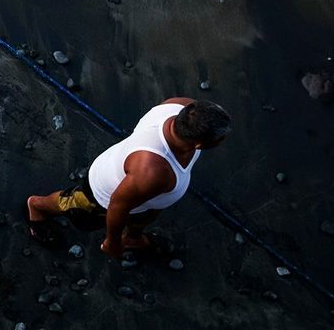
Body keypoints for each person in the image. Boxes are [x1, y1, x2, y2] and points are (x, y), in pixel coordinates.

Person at [25, 97, 230, 257]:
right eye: (221, 138)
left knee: (142, 217)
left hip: (144, 201)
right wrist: (112, 242)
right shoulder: (153, 172)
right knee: (73, 206)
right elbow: (117, 206)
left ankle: (133, 238)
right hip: (103, 194)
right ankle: (37, 206)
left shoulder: (182, 107)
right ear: (199, 145)